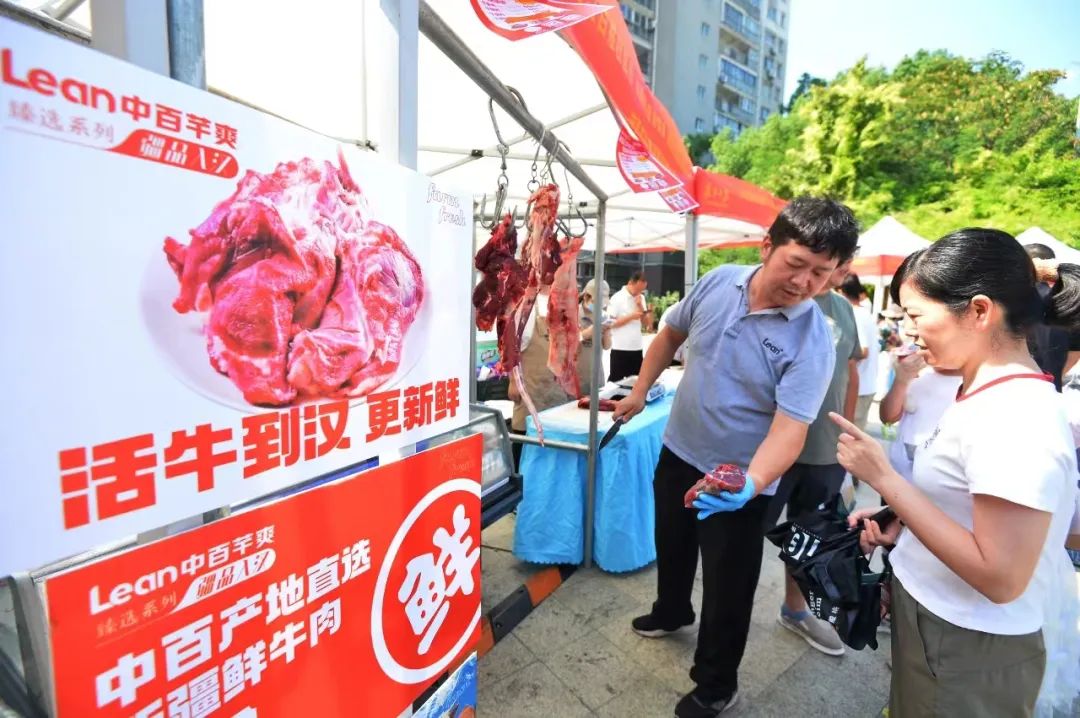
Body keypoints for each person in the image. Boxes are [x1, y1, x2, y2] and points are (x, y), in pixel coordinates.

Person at [613, 196, 860, 717]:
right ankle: (671, 611)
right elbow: (670, 334)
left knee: (729, 583)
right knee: (672, 542)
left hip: (740, 478)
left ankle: (716, 683)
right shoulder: (719, 281)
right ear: (767, 247)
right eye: (796, 264)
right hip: (680, 448)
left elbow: (790, 430)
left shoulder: (813, 340)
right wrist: (638, 390)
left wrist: (751, 484)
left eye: (821, 274)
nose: (804, 282)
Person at [830, 228, 1080, 717]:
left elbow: (1001, 576)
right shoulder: (979, 393)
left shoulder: (1016, 415)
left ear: (979, 311)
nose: (909, 331)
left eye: (917, 315)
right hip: (941, 622)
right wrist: (900, 523)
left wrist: (885, 480)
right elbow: (965, 508)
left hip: (969, 641)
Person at [763, 259, 861, 657]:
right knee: (745, 534)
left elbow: (850, 372)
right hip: (770, 448)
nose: (846, 266)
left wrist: (847, 433)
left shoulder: (843, 309)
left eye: (850, 258)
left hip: (824, 450)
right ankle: (726, 610)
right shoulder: (779, 302)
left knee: (808, 537)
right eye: (841, 258)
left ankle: (796, 610)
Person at [507, 286, 572, 469]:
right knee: (523, 449)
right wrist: (513, 381)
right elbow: (511, 346)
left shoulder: (561, 304)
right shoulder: (525, 303)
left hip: (556, 393)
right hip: (531, 389)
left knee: (551, 454)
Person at [840, 273, 879, 430]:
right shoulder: (864, 312)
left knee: (849, 436)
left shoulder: (855, 314)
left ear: (841, 291)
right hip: (865, 386)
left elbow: (863, 351)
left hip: (859, 389)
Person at [607, 271, 648, 382]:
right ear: (630, 283)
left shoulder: (641, 298)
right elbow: (610, 323)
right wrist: (631, 317)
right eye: (637, 289)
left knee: (636, 381)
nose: (639, 292)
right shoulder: (617, 298)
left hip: (637, 347)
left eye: (642, 290)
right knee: (616, 381)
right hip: (620, 348)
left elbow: (646, 323)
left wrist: (640, 305)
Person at [576, 278, 612, 397]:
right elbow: (572, 342)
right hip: (578, 376)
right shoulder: (574, 313)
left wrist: (607, 330)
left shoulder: (603, 315)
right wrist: (592, 329)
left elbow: (607, 346)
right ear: (586, 297)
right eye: (596, 302)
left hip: (597, 376)